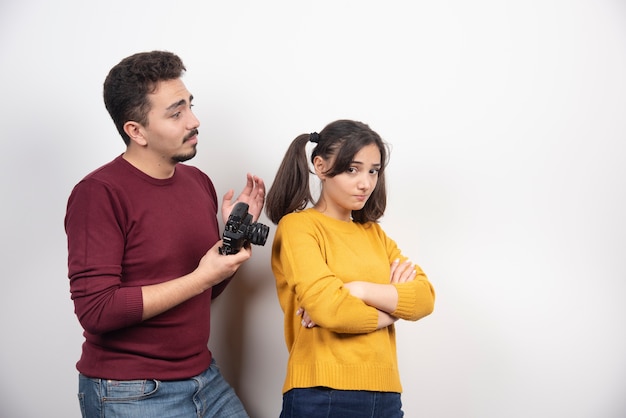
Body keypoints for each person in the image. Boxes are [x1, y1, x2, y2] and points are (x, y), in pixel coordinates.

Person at [64, 50, 265, 418]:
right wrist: (201, 276)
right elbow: (96, 310)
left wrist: (230, 244)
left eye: (189, 105)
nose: (194, 120)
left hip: (205, 378)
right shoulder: (98, 194)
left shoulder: (198, 182)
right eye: (176, 113)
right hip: (131, 392)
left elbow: (205, 291)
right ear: (136, 131)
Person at [265, 119, 436, 417]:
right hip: (321, 393)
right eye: (352, 169)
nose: (365, 183)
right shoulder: (299, 227)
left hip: (386, 395)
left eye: (373, 171)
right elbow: (330, 309)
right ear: (320, 166)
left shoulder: (374, 235)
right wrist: (393, 310)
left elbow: (424, 298)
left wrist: (357, 290)